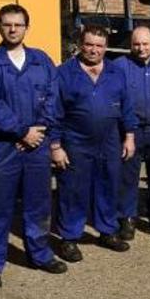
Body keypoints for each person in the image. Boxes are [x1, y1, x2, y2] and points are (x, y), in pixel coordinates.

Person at [0, 4, 66, 292]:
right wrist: (21, 131)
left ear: (27, 27)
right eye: (7, 24)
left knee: (38, 204)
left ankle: (39, 253)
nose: (13, 29)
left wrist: (38, 131)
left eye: (18, 24)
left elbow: (54, 97)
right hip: (3, 145)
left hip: (36, 145)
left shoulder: (41, 60)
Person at [51, 25, 137, 262]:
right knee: (73, 190)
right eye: (89, 44)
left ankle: (107, 231)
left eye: (99, 46)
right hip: (75, 141)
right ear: (80, 44)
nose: (94, 50)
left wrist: (129, 136)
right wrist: (55, 146)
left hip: (109, 140)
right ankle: (69, 237)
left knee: (108, 186)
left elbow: (127, 107)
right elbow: (54, 112)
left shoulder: (116, 72)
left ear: (105, 47)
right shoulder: (64, 73)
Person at [115, 26, 150, 240]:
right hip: (131, 131)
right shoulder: (119, 67)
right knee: (128, 178)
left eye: (145, 44)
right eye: (137, 44)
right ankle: (127, 218)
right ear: (130, 44)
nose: (141, 48)